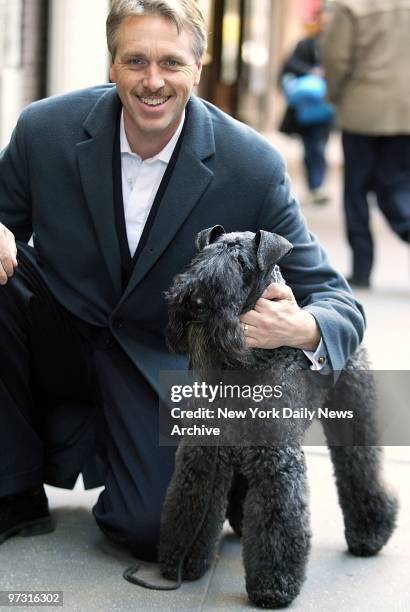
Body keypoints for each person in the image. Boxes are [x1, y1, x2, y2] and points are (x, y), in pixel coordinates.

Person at [0, 0, 364, 561]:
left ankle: (224, 466)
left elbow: (338, 301)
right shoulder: (43, 130)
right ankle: (12, 488)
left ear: (198, 66)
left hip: (162, 365)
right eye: (135, 61)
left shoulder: (251, 163)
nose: (152, 81)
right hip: (60, 337)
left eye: (170, 63)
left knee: (157, 532)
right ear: (112, 65)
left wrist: (306, 326)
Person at [320, 0, 410, 288]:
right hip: (406, 111)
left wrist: (335, 95)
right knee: (396, 185)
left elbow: (335, 58)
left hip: (363, 109)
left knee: (356, 192)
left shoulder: (352, 6)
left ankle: (362, 270)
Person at [279, 4, 333, 205]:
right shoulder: (306, 44)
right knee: (312, 146)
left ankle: (317, 184)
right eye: (324, 21)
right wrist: (313, 71)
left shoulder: (339, 45)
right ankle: (316, 186)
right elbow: (289, 66)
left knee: (319, 145)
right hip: (309, 107)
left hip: (328, 107)